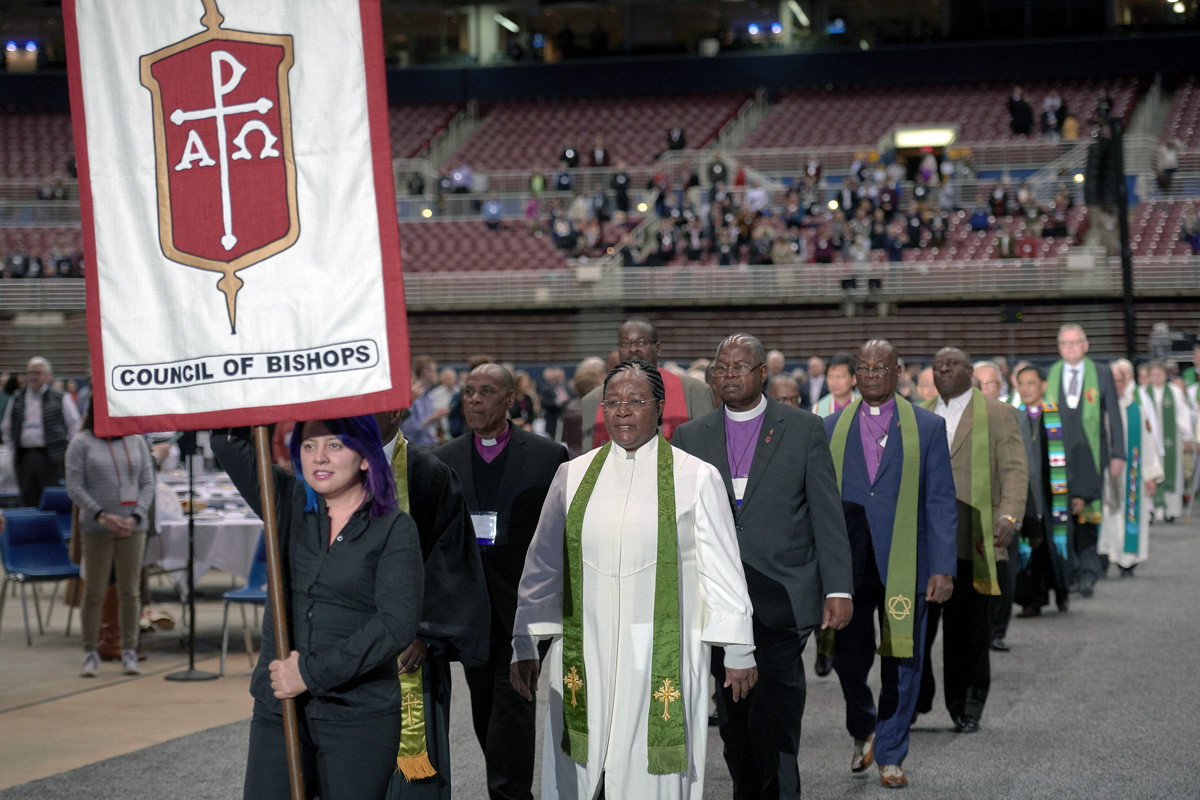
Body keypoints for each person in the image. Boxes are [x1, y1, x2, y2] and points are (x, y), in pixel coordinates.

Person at [510, 360, 756, 800]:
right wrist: (525, 643)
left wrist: (738, 647)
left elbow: (722, 566)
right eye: (614, 401)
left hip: (658, 650)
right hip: (587, 646)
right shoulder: (573, 474)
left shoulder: (696, 477)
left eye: (636, 401)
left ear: (659, 408)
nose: (623, 411)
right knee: (578, 772)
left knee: (647, 772)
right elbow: (544, 563)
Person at [673, 335, 853, 799]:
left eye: (741, 366)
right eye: (722, 367)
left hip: (783, 596)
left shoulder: (803, 428)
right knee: (733, 720)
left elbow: (825, 513)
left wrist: (839, 588)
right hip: (714, 600)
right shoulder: (691, 437)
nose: (730, 374)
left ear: (762, 373)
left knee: (775, 712)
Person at [212, 417, 423, 800]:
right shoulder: (286, 502)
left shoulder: (394, 527)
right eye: (308, 446)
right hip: (280, 709)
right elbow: (228, 444)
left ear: (364, 457)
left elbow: (395, 624)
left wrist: (309, 673)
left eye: (335, 446)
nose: (319, 457)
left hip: (358, 716)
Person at [825, 339, 957, 789]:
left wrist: (943, 566)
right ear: (854, 374)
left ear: (898, 372)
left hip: (910, 563)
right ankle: (864, 726)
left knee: (905, 659)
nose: (873, 376)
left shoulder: (928, 426)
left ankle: (892, 750)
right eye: (864, 368)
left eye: (882, 368)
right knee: (848, 658)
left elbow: (940, 501)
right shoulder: (827, 428)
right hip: (849, 563)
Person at [433, 364, 567, 800]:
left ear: (510, 399)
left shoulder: (549, 458)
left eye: (485, 392)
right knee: (485, 707)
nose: (473, 399)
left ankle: (510, 794)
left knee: (513, 706)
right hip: (471, 610)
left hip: (523, 608)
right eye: (468, 391)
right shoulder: (443, 460)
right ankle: (505, 788)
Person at [374, 411, 490, 800]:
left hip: (410, 649)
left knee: (412, 779)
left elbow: (449, 558)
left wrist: (421, 630)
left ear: (397, 410)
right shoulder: (332, 463)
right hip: (346, 641)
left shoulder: (428, 473)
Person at [915, 348, 1026, 733]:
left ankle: (967, 704)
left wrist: (1010, 515)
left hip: (973, 538)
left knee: (969, 630)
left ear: (970, 372)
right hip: (925, 540)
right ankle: (916, 698)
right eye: (938, 365)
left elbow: (1013, 470)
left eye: (953, 364)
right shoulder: (920, 412)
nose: (944, 370)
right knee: (916, 630)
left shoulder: (997, 413)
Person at [66, 405, 156, 678]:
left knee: (130, 590)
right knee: (93, 591)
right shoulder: (81, 443)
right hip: (96, 527)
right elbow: (75, 486)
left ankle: (129, 648)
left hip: (132, 527)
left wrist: (137, 516)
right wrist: (102, 516)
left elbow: (148, 483)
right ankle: (90, 651)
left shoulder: (136, 440)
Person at [1046, 324, 1124, 598]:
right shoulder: (1051, 374)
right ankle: (1070, 571)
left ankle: (1089, 575)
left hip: (1092, 457)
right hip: (1058, 458)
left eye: (1075, 342)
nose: (1070, 348)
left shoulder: (1101, 374)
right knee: (1063, 517)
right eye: (1064, 343)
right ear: (1058, 348)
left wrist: (1118, 454)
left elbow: (1113, 416)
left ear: (1086, 345)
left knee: (1088, 520)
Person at [579, 318, 715, 447]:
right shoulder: (594, 399)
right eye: (626, 343)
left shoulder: (694, 391)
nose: (633, 349)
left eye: (642, 342)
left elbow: (705, 446)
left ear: (658, 348)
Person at [1012, 365, 1072, 617]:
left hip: (1053, 494)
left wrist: (1078, 493)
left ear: (1043, 385)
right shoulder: (1012, 416)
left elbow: (1075, 454)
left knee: (1053, 544)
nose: (1026, 389)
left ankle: (1061, 590)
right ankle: (1031, 600)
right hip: (1027, 493)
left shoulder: (1059, 415)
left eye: (1031, 383)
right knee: (1030, 543)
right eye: (1021, 384)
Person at [1098, 360, 1163, 580]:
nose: (1116, 384)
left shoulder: (1137, 410)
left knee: (1127, 514)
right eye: (1113, 380)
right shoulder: (1099, 406)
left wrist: (1150, 475)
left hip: (1130, 475)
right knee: (1105, 515)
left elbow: (1148, 443)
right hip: (1104, 473)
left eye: (1120, 380)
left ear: (1128, 382)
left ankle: (1127, 560)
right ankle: (1103, 556)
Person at [1, 356, 82, 506]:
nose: (33, 376)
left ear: (47, 376)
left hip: (50, 458)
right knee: (27, 499)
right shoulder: (17, 398)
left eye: (37, 373)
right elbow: (6, 426)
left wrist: (66, 448)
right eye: (30, 372)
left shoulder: (61, 397)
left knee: (51, 500)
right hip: (24, 458)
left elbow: (75, 425)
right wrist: (12, 449)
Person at [1145, 360, 1191, 521]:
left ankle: (1172, 509)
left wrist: (1187, 436)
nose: (1157, 378)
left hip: (1171, 440)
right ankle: (1152, 509)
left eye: (1160, 374)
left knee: (1172, 472)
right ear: (1149, 377)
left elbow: (1182, 414)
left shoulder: (1175, 392)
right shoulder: (1143, 393)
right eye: (1154, 375)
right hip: (1150, 441)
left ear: (1165, 376)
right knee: (1152, 472)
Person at [403, 356, 449, 448]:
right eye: (434, 371)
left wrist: (436, 417)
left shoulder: (429, 395)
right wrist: (431, 419)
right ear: (426, 371)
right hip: (416, 447)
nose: (437, 374)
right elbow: (408, 430)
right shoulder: (413, 395)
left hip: (431, 444)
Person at [813, 354, 859, 418]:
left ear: (854, 379)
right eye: (830, 377)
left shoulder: (864, 405)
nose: (834, 382)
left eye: (840, 376)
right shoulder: (818, 408)